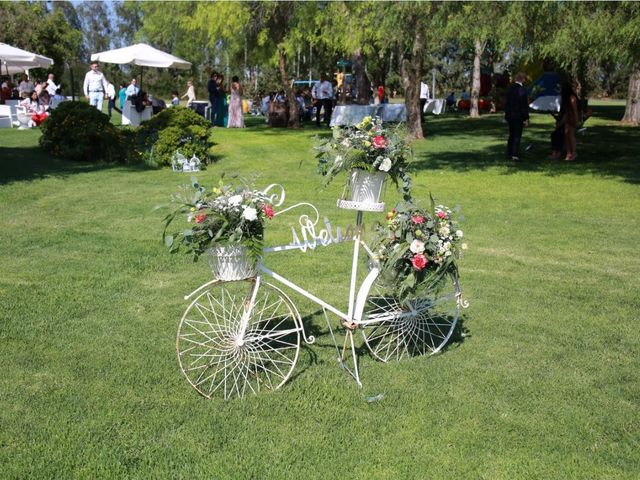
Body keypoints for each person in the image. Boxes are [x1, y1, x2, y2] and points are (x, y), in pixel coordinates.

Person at [504, 72, 529, 161]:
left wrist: (506, 115)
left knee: (511, 134)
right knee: (517, 135)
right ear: (522, 79)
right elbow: (524, 105)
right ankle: (514, 154)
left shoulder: (509, 89)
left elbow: (506, 103)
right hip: (518, 116)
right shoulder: (522, 90)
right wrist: (526, 118)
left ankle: (509, 152)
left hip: (510, 115)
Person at [559, 81, 579, 161]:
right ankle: (568, 153)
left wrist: (577, 121)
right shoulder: (565, 98)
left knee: (571, 136)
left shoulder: (572, 98)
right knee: (566, 135)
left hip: (572, 117)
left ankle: (574, 153)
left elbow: (575, 111)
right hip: (567, 117)